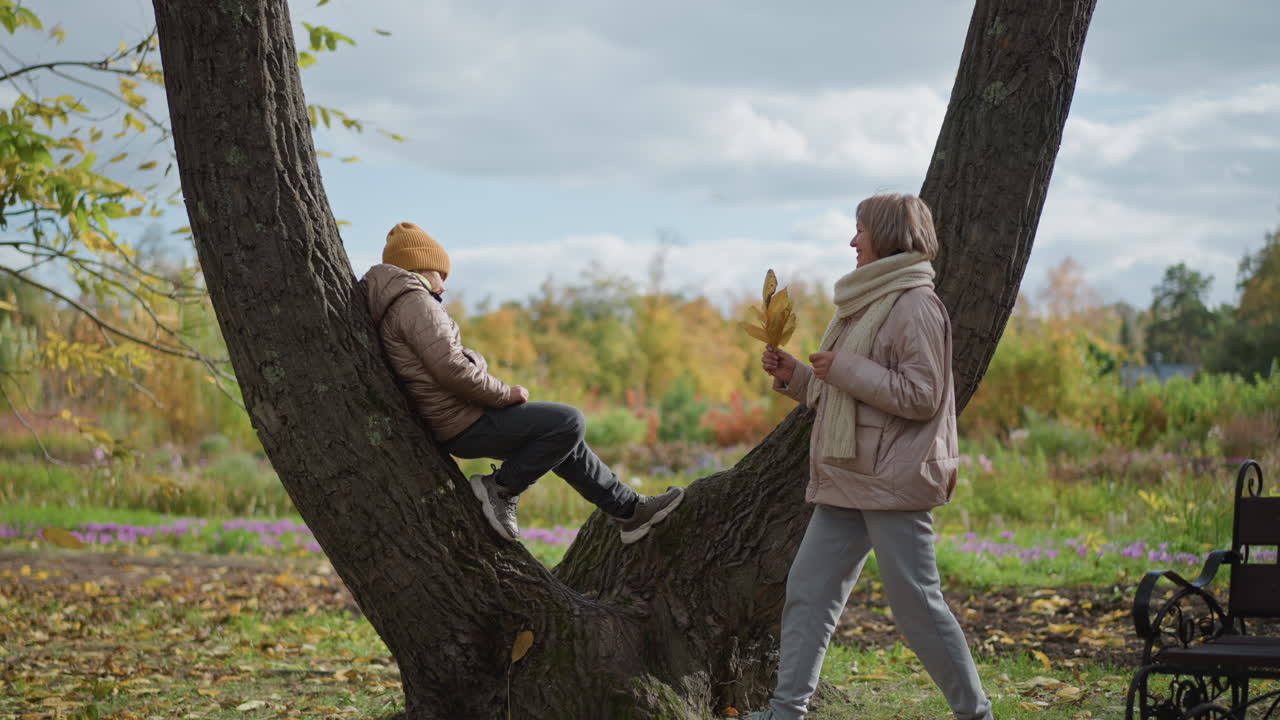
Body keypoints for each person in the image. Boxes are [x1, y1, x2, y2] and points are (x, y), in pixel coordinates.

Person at [747, 194, 993, 720]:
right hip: (849, 474)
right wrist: (799, 377)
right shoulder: (867, 299)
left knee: (917, 609)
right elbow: (848, 392)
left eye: (860, 230)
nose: (852, 241)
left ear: (885, 235)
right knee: (808, 593)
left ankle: (977, 715)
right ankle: (786, 712)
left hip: (893, 480)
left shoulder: (916, 305)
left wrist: (844, 369)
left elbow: (921, 396)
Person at [361, 222, 683, 544]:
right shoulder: (415, 302)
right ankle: (500, 489)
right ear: (418, 265)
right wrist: (505, 394)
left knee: (566, 443)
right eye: (440, 274)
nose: (444, 285)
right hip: (461, 422)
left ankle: (629, 511)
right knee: (568, 422)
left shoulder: (400, 303)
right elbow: (450, 368)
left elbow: (443, 363)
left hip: (456, 418)